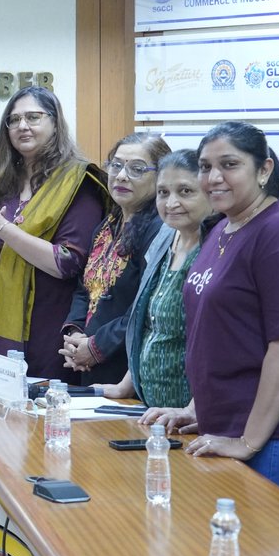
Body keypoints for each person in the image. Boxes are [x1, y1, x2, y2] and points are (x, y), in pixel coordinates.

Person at [145, 122, 279, 504]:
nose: (213, 177)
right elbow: (219, 333)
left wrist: (248, 441)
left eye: (229, 164)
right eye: (205, 166)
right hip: (230, 424)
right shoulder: (222, 229)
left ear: (264, 170)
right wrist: (196, 408)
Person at [0, 86, 107, 381]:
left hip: (50, 325)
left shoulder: (77, 182)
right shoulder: (2, 183)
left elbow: (67, 263)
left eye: (33, 117)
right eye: (14, 119)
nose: (22, 125)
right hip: (1, 326)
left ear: (54, 123)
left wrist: (1, 227)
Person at [96, 149, 213, 407]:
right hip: (152, 412)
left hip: (195, 417)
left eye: (185, 191)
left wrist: (195, 410)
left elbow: (220, 344)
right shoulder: (165, 238)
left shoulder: (216, 250)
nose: (171, 203)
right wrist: (125, 386)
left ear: (210, 192)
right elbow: (146, 325)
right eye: (163, 193)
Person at [60, 132, 168, 385]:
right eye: (116, 165)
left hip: (127, 369)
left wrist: (95, 346)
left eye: (137, 169)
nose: (121, 176)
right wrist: (75, 334)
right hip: (87, 363)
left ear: (161, 176)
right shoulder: (108, 225)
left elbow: (146, 307)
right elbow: (83, 288)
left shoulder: (160, 230)